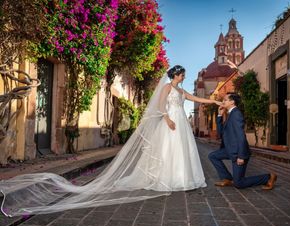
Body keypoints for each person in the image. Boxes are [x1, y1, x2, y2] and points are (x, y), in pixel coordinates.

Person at [0, 65, 221, 217]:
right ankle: (166, 178)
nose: (184, 76)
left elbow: (196, 98)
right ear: (176, 74)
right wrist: (166, 118)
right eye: (182, 74)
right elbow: (161, 105)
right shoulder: (166, 87)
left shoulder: (181, 90)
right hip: (171, 120)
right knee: (167, 150)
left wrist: (215, 102)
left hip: (181, 121)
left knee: (181, 151)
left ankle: (181, 178)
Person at [208, 92, 277, 190]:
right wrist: (219, 116)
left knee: (239, 183)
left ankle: (268, 177)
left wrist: (241, 156)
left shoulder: (236, 114)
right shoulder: (230, 114)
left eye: (225, 100)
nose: (222, 102)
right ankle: (227, 178)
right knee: (213, 156)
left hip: (238, 153)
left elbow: (241, 137)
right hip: (230, 150)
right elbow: (221, 133)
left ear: (232, 102)